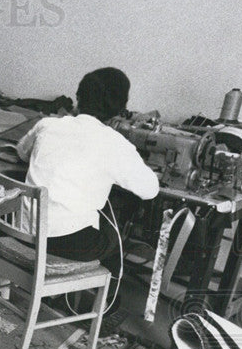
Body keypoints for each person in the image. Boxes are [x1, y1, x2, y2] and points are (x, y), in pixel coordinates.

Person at [16, 67, 159, 264]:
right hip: (68, 244)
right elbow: (150, 190)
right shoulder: (115, 144)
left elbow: (22, 152)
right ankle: (107, 292)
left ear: (78, 97)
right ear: (120, 108)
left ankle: (73, 293)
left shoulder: (48, 125)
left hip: (22, 232)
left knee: (103, 209)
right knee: (115, 227)